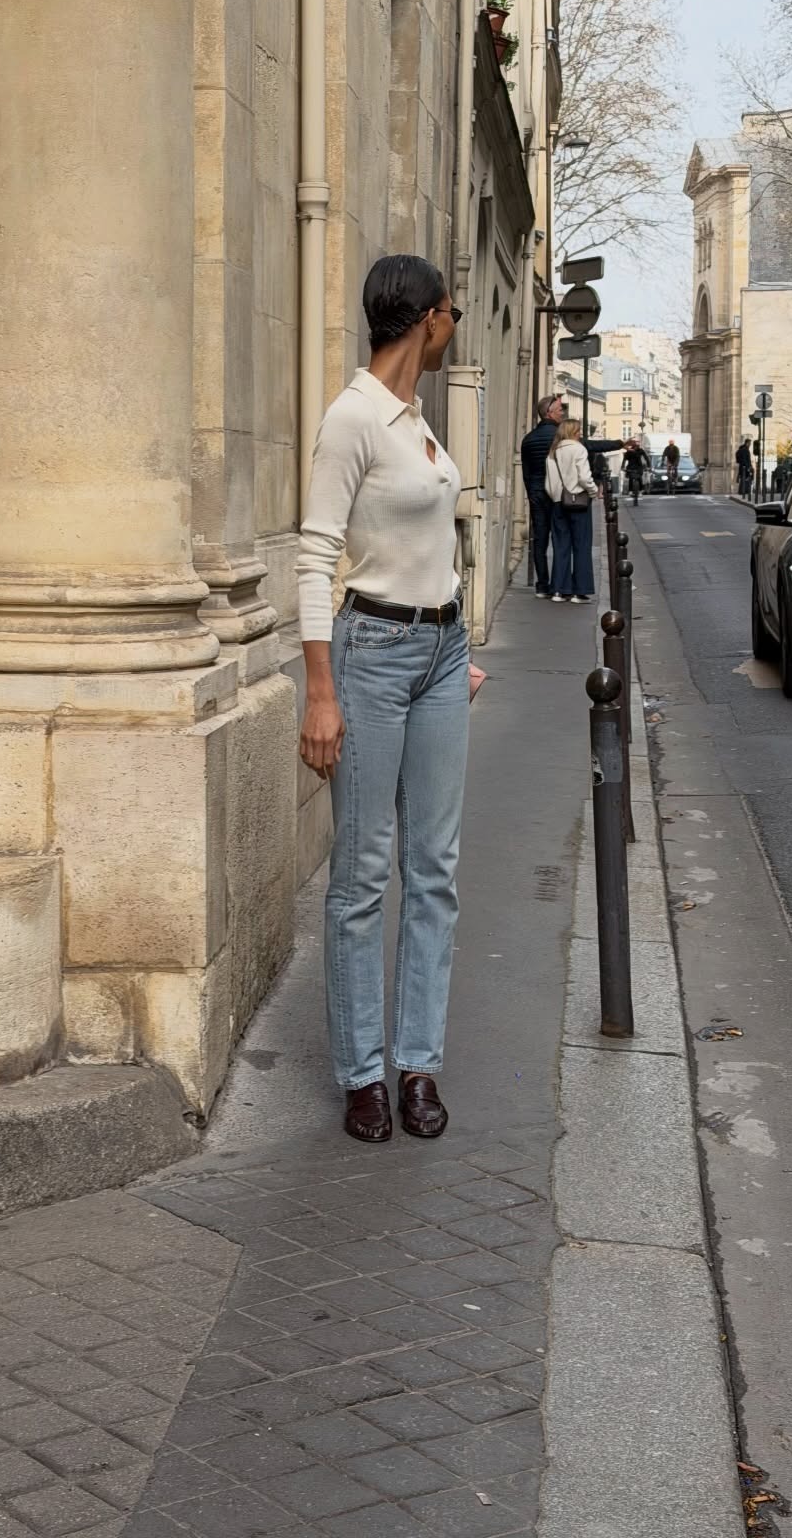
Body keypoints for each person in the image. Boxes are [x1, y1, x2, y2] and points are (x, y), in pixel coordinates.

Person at [297, 254, 469, 1145]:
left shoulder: (418, 421)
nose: (455, 327)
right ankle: (363, 1073)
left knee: (434, 872)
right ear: (430, 318)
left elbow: (435, 543)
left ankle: (418, 1064)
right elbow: (314, 557)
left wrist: (453, 638)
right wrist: (319, 692)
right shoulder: (354, 417)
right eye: (453, 314)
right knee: (364, 876)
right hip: (368, 656)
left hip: (442, 654)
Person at [545, 418, 596, 602]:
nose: (580, 434)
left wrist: (556, 497)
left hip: (558, 503)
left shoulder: (553, 452)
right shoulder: (578, 449)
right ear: (573, 432)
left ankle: (559, 590)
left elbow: (549, 483)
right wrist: (593, 491)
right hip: (579, 502)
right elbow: (584, 477)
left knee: (560, 546)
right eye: (578, 430)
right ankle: (579, 591)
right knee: (582, 546)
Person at [520, 393, 566, 598]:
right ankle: (558, 584)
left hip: (537, 493)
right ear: (549, 413)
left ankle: (542, 585)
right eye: (559, 410)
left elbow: (526, 473)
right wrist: (618, 444)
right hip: (557, 493)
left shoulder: (528, 439)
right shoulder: (561, 437)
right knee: (560, 539)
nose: (562, 413)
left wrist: (531, 493)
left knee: (540, 540)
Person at [621, 435, 648, 504]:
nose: (636, 445)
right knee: (631, 478)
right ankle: (631, 491)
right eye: (635, 443)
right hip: (631, 467)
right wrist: (622, 466)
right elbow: (624, 459)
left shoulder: (640, 450)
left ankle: (640, 490)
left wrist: (648, 465)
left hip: (638, 467)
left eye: (636, 443)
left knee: (639, 478)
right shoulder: (629, 451)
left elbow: (646, 458)